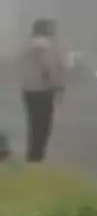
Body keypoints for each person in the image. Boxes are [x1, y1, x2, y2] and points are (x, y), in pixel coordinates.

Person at [19, 19, 65, 162]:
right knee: (43, 126)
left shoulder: (27, 47)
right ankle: (37, 157)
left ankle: (32, 155)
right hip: (43, 91)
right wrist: (58, 86)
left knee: (33, 125)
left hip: (28, 90)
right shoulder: (46, 48)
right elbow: (49, 69)